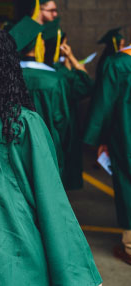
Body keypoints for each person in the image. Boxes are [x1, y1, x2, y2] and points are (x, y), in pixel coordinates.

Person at [0, 27, 102, 286]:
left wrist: (77, 277)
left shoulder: (19, 125)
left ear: (1, 75)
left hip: (13, 263)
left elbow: (52, 203)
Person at [84, 42, 131, 266]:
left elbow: (105, 103)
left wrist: (97, 139)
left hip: (126, 136)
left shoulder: (119, 63)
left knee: (127, 186)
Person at [10, 16, 70, 178]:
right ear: (38, 44)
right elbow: (61, 120)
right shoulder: (54, 79)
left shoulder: (7, 76)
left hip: (14, 146)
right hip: (47, 146)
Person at [51, 26, 94, 190]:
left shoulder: (55, 69)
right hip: (64, 124)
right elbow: (86, 85)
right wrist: (71, 57)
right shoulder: (62, 74)